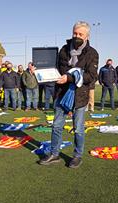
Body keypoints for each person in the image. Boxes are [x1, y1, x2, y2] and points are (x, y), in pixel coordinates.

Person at [38, 21, 99, 168]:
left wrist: (70, 78)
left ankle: (77, 156)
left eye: (80, 34)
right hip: (61, 93)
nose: (77, 36)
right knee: (57, 126)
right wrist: (45, 74)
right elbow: (58, 69)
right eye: (75, 33)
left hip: (80, 96)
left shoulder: (92, 53)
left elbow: (91, 76)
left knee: (78, 128)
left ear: (87, 36)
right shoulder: (64, 50)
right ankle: (54, 153)